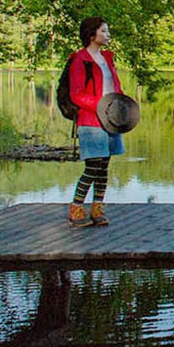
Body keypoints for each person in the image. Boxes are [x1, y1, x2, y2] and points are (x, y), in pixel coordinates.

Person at [65, 16, 124, 226]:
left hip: (111, 119)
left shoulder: (107, 59)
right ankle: (76, 208)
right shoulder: (80, 60)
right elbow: (77, 94)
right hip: (91, 120)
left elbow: (115, 87)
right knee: (93, 166)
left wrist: (121, 105)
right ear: (92, 34)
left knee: (104, 166)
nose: (108, 35)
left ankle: (97, 208)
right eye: (104, 31)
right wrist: (101, 104)